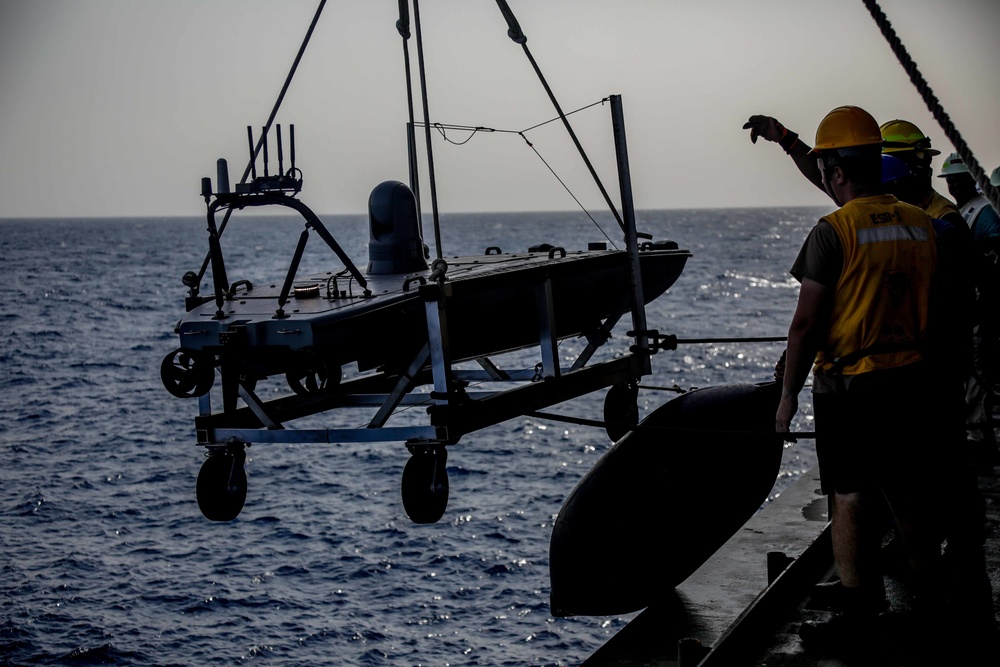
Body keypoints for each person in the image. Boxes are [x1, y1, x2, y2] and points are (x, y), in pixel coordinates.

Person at [768, 105, 946, 651]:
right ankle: (932, 596)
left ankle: (860, 609)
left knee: (850, 495)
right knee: (910, 493)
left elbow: (805, 324)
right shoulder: (924, 224)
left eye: (824, 167)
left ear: (836, 172)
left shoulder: (833, 232)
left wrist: (787, 396)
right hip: (913, 377)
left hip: (851, 386)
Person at [938, 152, 1000, 460]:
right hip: (967, 305)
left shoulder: (983, 213)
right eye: (949, 181)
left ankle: (980, 437)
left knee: (977, 373)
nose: (953, 186)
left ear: (970, 180)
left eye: (958, 180)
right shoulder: (962, 211)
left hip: (978, 305)